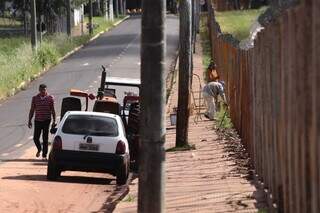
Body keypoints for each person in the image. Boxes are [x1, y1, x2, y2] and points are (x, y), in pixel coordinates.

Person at [28, 84, 56, 159]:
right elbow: (32, 110)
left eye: (44, 90)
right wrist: (29, 120)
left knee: (45, 138)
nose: (43, 91)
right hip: (37, 120)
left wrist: (54, 121)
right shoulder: (35, 98)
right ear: (39, 90)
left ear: (46, 90)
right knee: (35, 138)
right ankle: (39, 149)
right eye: (41, 90)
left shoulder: (50, 98)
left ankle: (44, 155)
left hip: (46, 120)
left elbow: (53, 110)